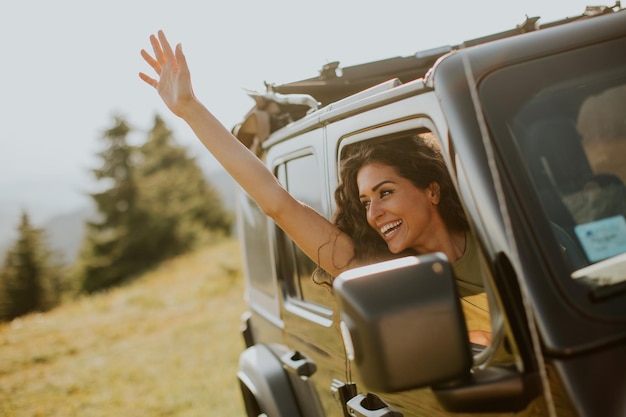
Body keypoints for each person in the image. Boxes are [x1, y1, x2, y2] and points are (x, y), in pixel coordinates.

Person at [139, 31, 490, 344]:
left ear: (432, 190)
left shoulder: (501, 238)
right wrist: (190, 109)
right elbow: (278, 203)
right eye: (365, 201)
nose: (375, 213)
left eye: (385, 192)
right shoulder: (381, 272)